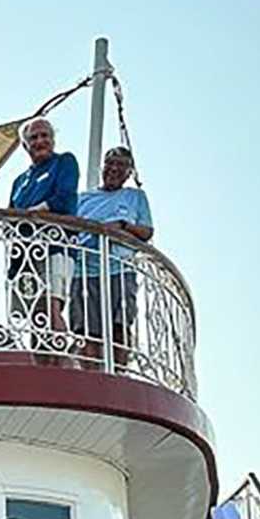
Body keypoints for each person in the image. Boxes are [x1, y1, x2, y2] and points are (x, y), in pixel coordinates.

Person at [72, 147, 153, 370]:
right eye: (110, 163)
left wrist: (122, 225)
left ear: (128, 172)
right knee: (86, 328)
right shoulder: (83, 199)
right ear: (103, 167)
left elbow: (146, 232)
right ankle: (91, 375)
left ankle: (118, 373)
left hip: (120, 268)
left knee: (121, 324)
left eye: (120, 165)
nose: (114, 169)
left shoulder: (135, 197)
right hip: (85, 270)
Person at [7, 118, 79, 357]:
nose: (40, 142)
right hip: (24, 253)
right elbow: (9, 216)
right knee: (34, 315)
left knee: (51, 305)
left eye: (44, 136)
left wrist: (35, 212)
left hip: (55, 246)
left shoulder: (64, 162)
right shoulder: (20, 181)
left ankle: (65, 362)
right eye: (34, 138)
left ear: (53, 139)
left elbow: (65, 198)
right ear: (26, 146)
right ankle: (42, 366)